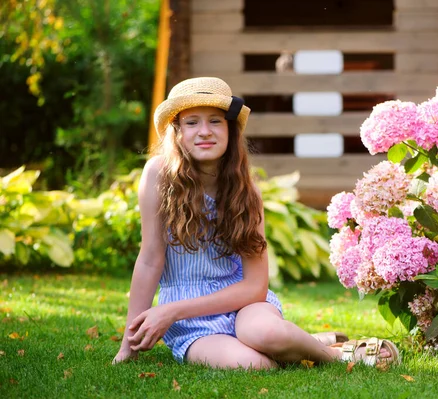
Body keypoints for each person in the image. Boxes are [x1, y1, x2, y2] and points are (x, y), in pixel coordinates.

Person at [111, 77, 399, 369]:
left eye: (216, 121)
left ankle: (339, 356)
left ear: (230, 129)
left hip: (243, 305)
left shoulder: (246, 191)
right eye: (192, 122)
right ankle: (309, 341)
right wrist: (128, 345)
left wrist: (171, 311)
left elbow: (255, 287)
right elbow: (149, 260)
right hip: (189, 322)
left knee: (267, 333)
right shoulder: (158, 175)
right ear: (177, 130)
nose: (205, 132)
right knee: (257, 365)